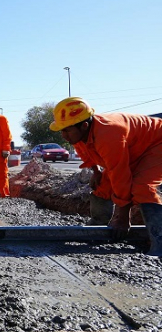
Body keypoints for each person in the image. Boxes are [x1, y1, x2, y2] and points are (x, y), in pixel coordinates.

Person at [50, 97, 162, 256]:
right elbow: (86, 152)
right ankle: (98, 229)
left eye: (66, 130)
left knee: (141, 188)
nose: (63, 135)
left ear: (84, 125)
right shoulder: (80, 133)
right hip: (135, 147)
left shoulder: (109, 134)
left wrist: (123, 217)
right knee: (103, 185)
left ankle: (159, 240)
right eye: (61, 130)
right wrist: (96, 172)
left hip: (157, 143)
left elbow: (120, 176)